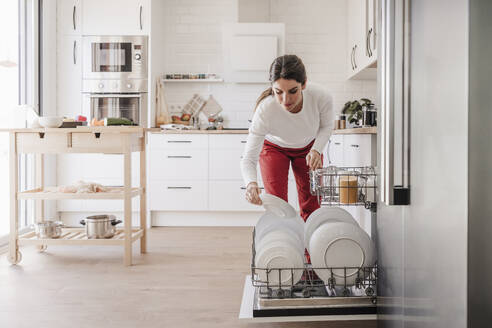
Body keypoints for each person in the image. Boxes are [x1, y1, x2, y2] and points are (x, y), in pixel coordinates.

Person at [240, 54, 334, 222]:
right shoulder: (265, 109)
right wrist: (251, 184)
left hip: (309, 147)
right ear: (272, 88)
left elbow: (327, 126)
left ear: (304, 83)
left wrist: (316, 149)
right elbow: (248, 158)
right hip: (274, 148)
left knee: (312, 202)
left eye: (293, 91)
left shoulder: (321, 96)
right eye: (278, 92)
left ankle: (308, 247)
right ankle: (284, 246)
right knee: (277, 205)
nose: (285, 100)